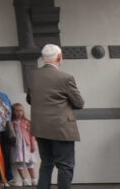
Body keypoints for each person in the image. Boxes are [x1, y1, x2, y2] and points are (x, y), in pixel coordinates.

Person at [26, 44, 83, 189]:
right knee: (65, 165)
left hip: (40, 128)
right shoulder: (66, 77)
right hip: (61, 128)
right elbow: (79, 103)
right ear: (59, 57)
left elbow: (29, 99)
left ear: (44, 58)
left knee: (46, 164)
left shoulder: (33, 75)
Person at [10, 104, 38, 186]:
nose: (19, 113)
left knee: (30, 162)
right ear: (13, 112)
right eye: (17, 111)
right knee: (19, 162)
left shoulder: (27, 122)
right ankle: (24, 180)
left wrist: (33, 145)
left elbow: (32, 135)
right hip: (17, 145)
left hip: (27, 145)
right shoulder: (12, 123)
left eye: (21, 110)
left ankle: (34, 179)